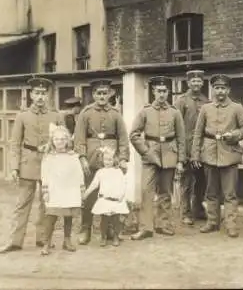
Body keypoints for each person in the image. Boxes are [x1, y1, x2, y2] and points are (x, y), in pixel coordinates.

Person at [0, 77, 65, 254]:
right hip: (27, 163)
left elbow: (64, 139)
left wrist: (55, 149)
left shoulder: (56, 116)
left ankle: (42, 238)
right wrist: (14, 167)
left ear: (48, 95)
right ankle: (14, 241)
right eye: (37, 93)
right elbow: (15, 143)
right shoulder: (22, 116)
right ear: (31, 95)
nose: (40, 97)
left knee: (46, 202)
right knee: (22, 203)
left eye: (43, 93)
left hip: (49, 163)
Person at [190, 74, 243, 238]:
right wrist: (195, 155)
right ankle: (212, 222)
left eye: (223, 88)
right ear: (212, 90)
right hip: (209, 154)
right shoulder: (206, 108)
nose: (220, 91)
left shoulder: (237, 108)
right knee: (211, 191)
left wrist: (234, 134)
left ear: (228, 90)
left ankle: (231, 225)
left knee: (230, 193)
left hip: (229, 154)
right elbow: (198, 133)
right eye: (217, 88)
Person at [129, 76, 186, 240]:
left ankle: (163, 224)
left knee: (166, 192)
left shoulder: (175, 112)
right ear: (153, 92)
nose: (162, 94)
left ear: (168, 92)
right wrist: (146, 152)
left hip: (170, 154)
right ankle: (146, 227)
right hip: (150, 155)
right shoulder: (145, 111)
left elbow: (181, 138)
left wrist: (181, 161)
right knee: (146, 191)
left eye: (165, 91)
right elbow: (134, 135)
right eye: (159, 91)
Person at [74, 79, 130, 245]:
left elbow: (123, 139)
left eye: (105, 93)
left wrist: (124, 159)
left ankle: (111, 230)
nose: (102, 96)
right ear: (93, 94)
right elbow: (79, 138)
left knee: (111, 194)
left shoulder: (115, 114)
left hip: (111, 161)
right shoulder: (86, 113)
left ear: (109, 94)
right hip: (91, 159)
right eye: (98, 93)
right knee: (90, 195)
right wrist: (82, 157)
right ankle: (86, 228)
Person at [39, 124, 85, 255]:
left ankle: (67, 240)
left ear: (67, 141)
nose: (60, 142)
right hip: (55, 189)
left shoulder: (73, 156)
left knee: (68, 215)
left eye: (62, 139)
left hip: (70, 189)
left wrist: (81, 188)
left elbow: (78, 173)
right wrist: (45, 191)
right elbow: (44, 174)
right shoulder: (48, 157)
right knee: (51, 216)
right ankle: (46, 243)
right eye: (57, 139)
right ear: (52, 141)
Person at [173, 70, 210, 225]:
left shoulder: (206, 101)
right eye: (193, 81)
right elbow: (175, 125)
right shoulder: (181, 101)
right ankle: (185, 212)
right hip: (187, 147)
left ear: (202, 83)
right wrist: (179, 150)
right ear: (188, 83)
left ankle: (198, 208)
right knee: (186, 182)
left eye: (199, 81)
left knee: (202, 180)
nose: (196, 83)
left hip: (202, 148)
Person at [82, 146, 129, 247]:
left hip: (116, 200)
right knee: (104, 220)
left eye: (110, 160)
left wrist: (122, 195)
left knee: (116, 220)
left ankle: (116, 237)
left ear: (114, 160)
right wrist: (86, 193)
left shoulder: (118, 171)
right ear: (102, 160)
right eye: (105, 160)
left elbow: (123, 184)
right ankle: (103, 237)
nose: (107, 162)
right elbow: (94, 184)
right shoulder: (100, 172)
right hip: (104, 199)